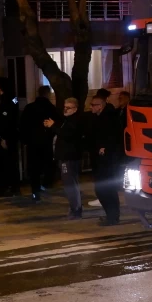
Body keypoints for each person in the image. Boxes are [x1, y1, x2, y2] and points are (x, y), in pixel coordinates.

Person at [88, 90, 124, 226]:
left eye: (93, 105)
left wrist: (105, 148)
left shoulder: (109, 118)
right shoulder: (100, 117)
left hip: (107, 161)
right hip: (102, 160)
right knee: (102, 189)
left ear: (100, 106)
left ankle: (113, 217)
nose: (91, 107)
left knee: (106, 189)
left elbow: (114, 137)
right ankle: (111, 215)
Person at [21, 86, 61, 202]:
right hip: (46, 142)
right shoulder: (51, 108)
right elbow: (57, 124)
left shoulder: (30, 108)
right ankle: (45, 184)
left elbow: (23, 125)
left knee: (34, 168)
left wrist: (25, 140)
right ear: (48, 94)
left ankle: (35, 191)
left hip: (33, 143)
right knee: (48, 165)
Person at [48, 97, 86, 219]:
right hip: (66, 157)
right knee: (70, 184)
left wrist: (53, 126)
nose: (65, 109)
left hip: (69, 157)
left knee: (70, 184)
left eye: (68, 108)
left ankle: (76, 209)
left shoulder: (74, 121)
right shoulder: (67, 120)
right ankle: (75, 207)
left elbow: (67, 135)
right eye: (64, 107)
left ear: (75, 109)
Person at [0, 78, 21, 197]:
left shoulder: (7, 100)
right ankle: (7, 187)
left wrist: (4, 137)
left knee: (7, 163)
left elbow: (6, 120)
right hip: (5, 136)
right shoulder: (8, 99)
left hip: (6, 137)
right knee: (5, 163)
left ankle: (10, 187)